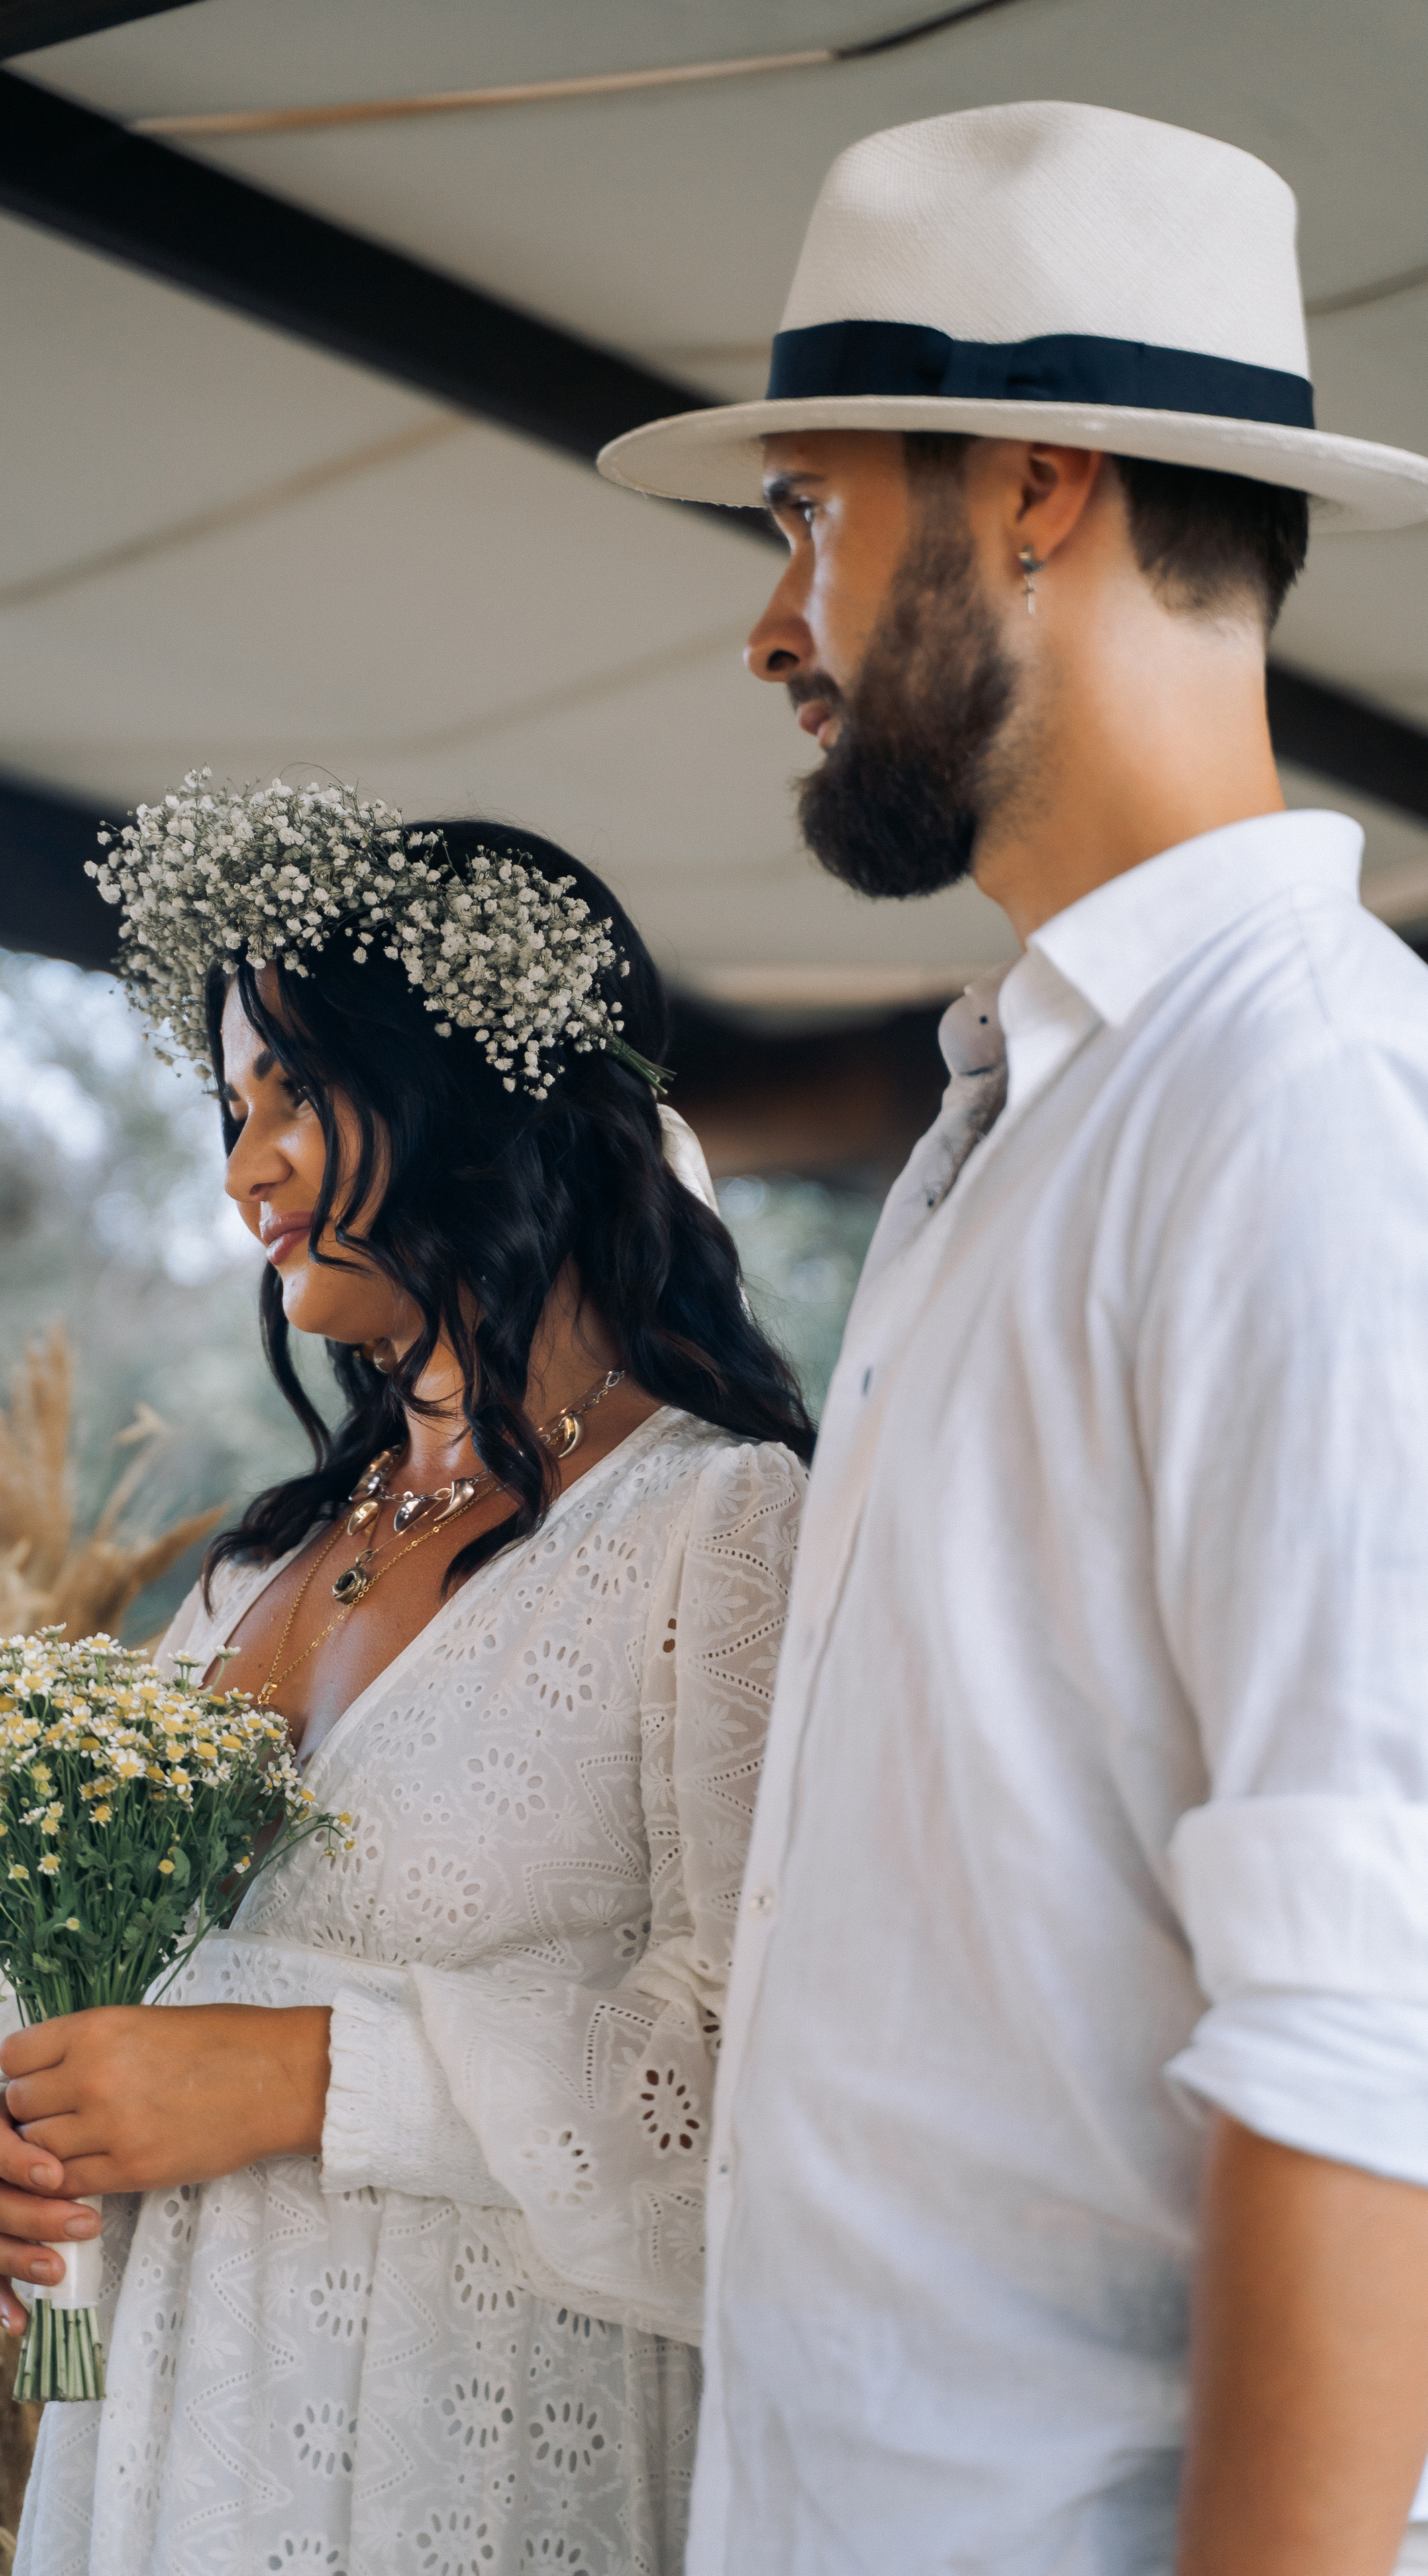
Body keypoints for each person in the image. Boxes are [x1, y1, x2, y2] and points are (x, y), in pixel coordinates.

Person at [599, 98, 1428, 2576]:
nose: (775, 625)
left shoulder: (1302, 1106)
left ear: (1037, 489)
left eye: (812, 516)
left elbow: (1371, 2033)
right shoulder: (1018, 1119)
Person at [0, 790, 811, 2576]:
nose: (246, 1169)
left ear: (481, 1082)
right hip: (150, 2464)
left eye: (298, 1096)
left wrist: (311, 2080)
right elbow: (64, 1967)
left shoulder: (719, 1517)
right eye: (233, 1112)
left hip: (461, 2476)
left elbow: (759, 2079)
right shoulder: (255, 1568)